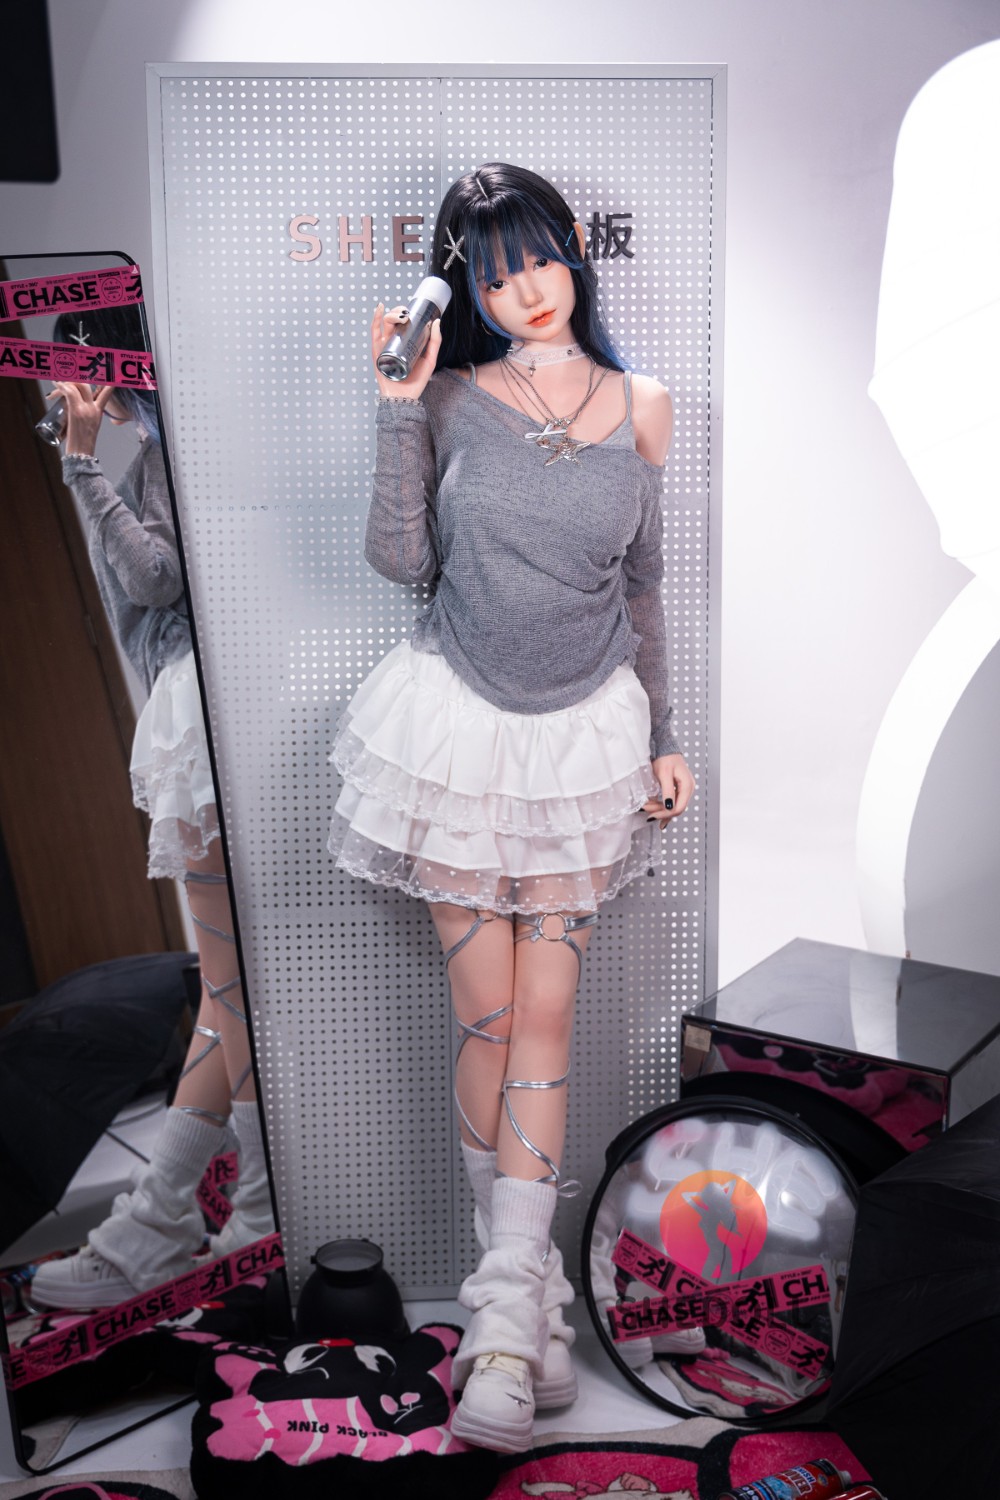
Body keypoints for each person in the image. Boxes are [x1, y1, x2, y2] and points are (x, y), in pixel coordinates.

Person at [327, 162, 697, 1453]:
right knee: (488, 1019)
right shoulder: (448, 398)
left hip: (586, 739)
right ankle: (526, 1304)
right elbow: (402, 563)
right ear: (468, 290)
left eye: (537, 258)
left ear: (573, 252)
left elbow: (644, 592)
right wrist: (395, 410)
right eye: (492, 274)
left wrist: (666, 739)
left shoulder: (644, 404)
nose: (524, 289)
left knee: (545, 1017)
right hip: (455, 730)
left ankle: (498, 1325)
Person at [30, 306, 273, 1312]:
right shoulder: (177, 454)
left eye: (76, 369)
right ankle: (214, 1220)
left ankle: (198, 1223)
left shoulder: (166, 459)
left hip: (205, 721)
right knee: (233, 992)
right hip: (212, 716)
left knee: (231, 990)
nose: (69, 391)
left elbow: (156, 578)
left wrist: (80, 464)